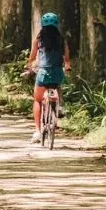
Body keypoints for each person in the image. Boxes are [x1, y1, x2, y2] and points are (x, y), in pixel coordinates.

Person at [27, 13, 67, 141]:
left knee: (37, 99)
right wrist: (67, 66)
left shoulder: (39, 41)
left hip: (43, 73)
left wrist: (29, 65)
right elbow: (66, 58)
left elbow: (32, 57)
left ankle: (38, 131)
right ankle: (60, 106)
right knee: (57, 85)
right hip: (57, 72)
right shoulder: (62, 40)